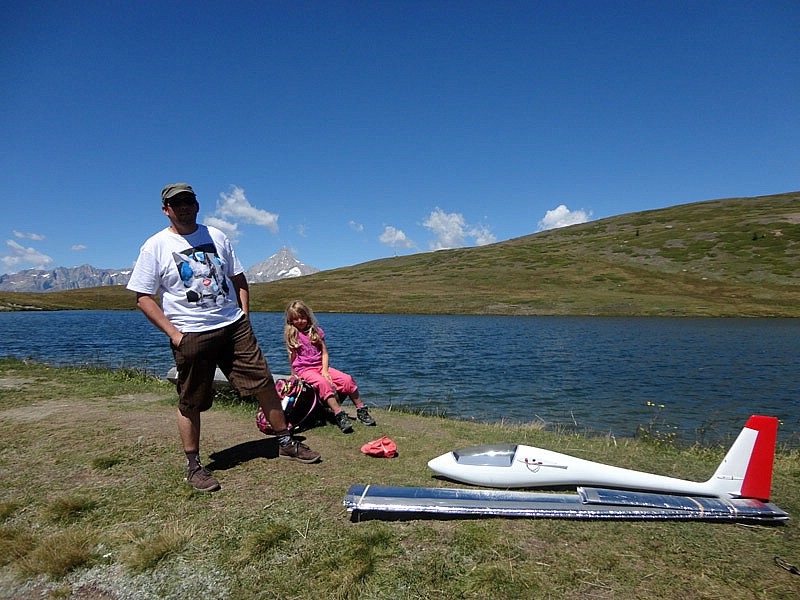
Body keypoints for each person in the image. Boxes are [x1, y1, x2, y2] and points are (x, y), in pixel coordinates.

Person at [127, 183, 320, 493]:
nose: (184, 208)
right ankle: (193, 465)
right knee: (192, 400)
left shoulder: (217, 236)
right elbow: (143, 297)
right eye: (177, 204)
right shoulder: (155, 246)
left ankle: (285, 441)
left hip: (234, 327)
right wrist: (175, 335)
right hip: (191, 333)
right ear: (166, 210)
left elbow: (238, 279)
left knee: (264, 382)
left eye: (189, 201)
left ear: (197, 204)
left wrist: (243, 315)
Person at [284, 300, 376, 433]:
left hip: (320, 366)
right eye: (296, 319)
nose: (300, 321)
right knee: (322, 382)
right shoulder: (292, 334)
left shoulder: (316, 332)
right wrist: (294, 375)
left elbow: (324, 353)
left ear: (308, 317)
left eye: (302, 317)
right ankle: (338, 414)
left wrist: (326, 370)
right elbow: (291, 356)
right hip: (304, 370)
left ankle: (361, 410)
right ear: (291, 320)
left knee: (347, 380)